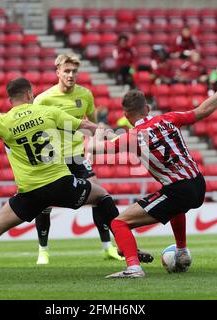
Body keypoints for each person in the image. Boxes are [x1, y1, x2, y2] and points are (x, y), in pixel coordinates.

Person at [0, 78, 126, 281]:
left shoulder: (3, 121)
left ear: (10, 99)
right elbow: (84, 124)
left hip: (30, 192)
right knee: (101, 195)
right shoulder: (47, 112)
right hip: (60, 183)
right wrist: (111, 135)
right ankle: (129, 252)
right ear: (30, 94)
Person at [89, 72, 217, 278]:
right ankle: (181, 251)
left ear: (126, 116)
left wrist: (96, 130)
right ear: (147, 109)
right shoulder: (169, 119)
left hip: (178, 189)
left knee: (119, 223)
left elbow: (97, 149)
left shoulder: (132, 137)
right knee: (178, 207)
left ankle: (134, 268)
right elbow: (203, 110)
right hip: (198, 183)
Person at [32, 53, 144, 264]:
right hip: (53, 158)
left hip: (77, 155)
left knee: (99, 197)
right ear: (58, 72)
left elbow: (93, 126)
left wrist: (92, 147)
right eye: (67, 71)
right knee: (44, 204)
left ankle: (107, 247)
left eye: (74, 71)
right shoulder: (43, 99)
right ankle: (43, 250)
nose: (71, 75)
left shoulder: (85, 95)